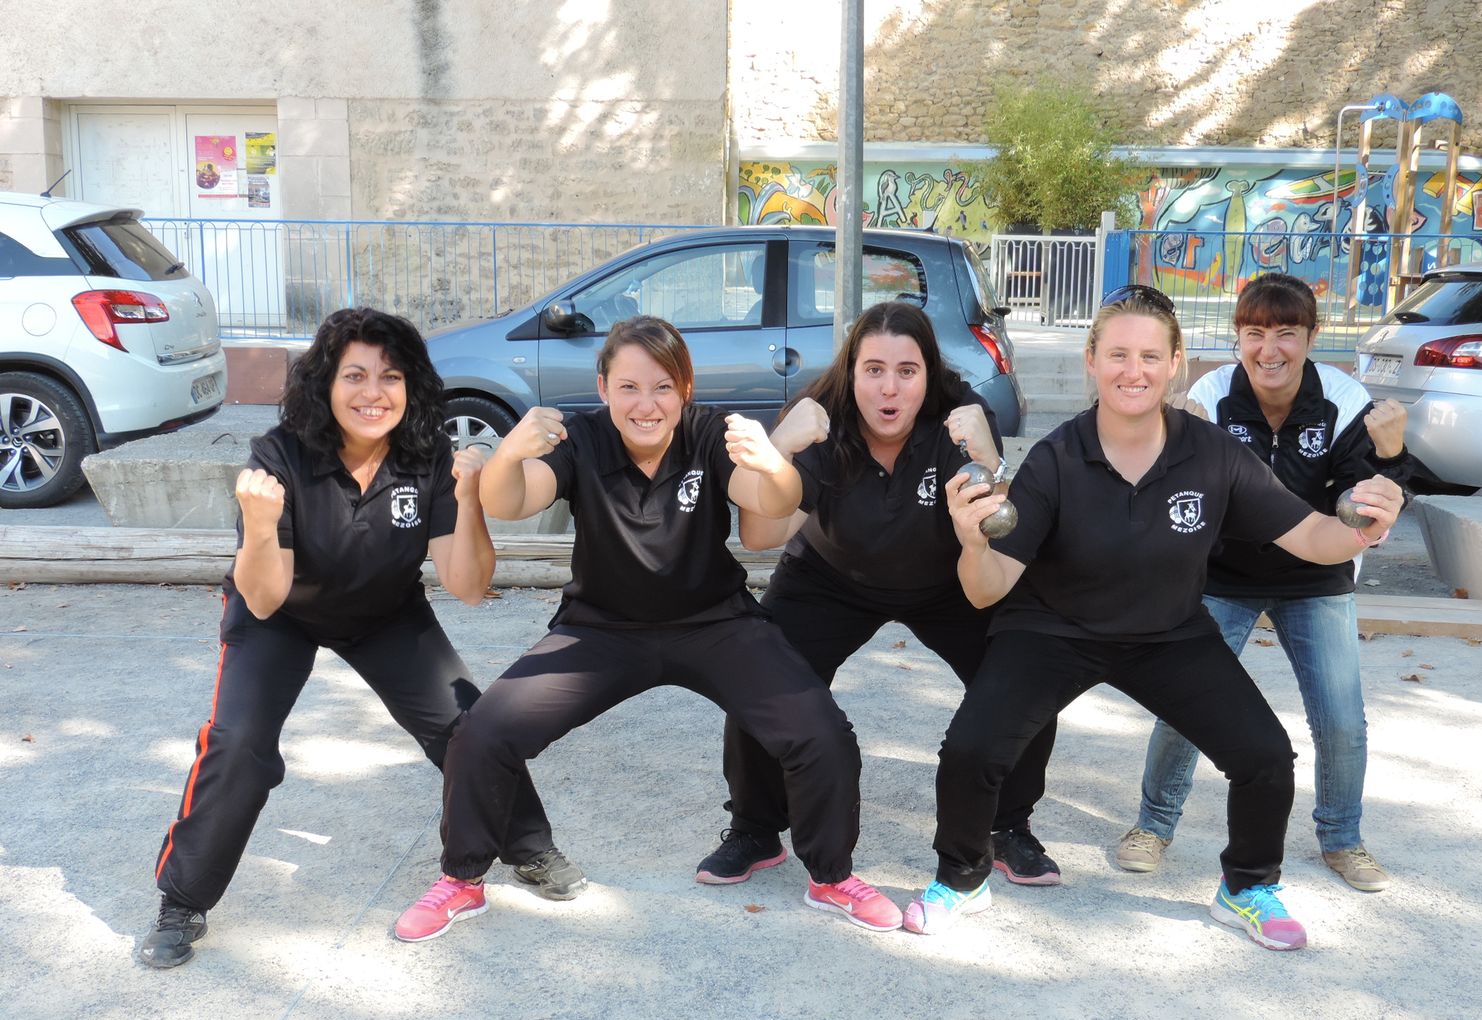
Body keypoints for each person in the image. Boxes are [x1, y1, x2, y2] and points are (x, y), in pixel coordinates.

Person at [911, 284, 1405, 949]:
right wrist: (972, 544)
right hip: (1054, 629)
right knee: (971, 748)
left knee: (1265, 757)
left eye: (1150, 356)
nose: (1133, 371)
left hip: (1168, 633)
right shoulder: (1057, 457)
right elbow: (986, 590)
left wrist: (1364, 527)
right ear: (1092, 360)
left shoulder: (1213, 453)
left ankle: (1248, 888)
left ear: (1176, 364)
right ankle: (961, 879)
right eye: (1118, 354)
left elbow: (1313, 536)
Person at [395, 316, 902, 940]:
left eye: (663, 387)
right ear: (603, 388)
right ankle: (461, 879)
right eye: (629, 387)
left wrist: (774, 463)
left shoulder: (708, 432)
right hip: (601, 631)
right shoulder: (583, 438)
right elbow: (510, 501)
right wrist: (509, 454)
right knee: (483, 732)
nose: (646, 404)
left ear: (684, 389)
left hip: (715, 623)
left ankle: (832, 876)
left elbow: (770, 503)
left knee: (822, 732)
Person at [138, 308, 582, 970]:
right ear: (325, 383)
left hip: (384, 610)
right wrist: (258, 526)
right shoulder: (280, 455)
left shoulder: (427, 456)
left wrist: (467, 499)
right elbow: (265, 596)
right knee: (239, 744)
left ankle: (528, 845)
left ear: (411, 387)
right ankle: (182, 899)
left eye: (390, 377)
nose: (373, 393)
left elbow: (466, 586)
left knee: (469, 725)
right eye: (355, 376)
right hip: (279, 613)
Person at [695, 301, 1061, 888]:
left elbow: (999, 530)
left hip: (948, 580)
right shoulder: (818, 418)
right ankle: (754, 827)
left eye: (907, 371)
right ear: (851, 372)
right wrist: (779, 449)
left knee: (1027, 671)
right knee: (760, 671)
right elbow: (762, 537)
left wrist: (990, 461)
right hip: (830, 576)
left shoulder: (961, 417)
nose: (889, 388)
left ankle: (1009, 825)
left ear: (929, 374)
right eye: (873, 370)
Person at [1120, 273, 1411, 892]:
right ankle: (1153, 825)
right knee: (1184, 703)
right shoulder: (1212, 395)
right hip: (1224, 575)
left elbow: (1365, 502)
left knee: (1341, 720)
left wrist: (1391, 459)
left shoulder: (1343, 399)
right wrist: (1172, 441)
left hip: (1315, 576)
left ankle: (1343, 838)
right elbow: (1173, 492)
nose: (1269, 349)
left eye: (1286, 333)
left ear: (1312, 336)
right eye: (1255, 333)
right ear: (1238, 337)